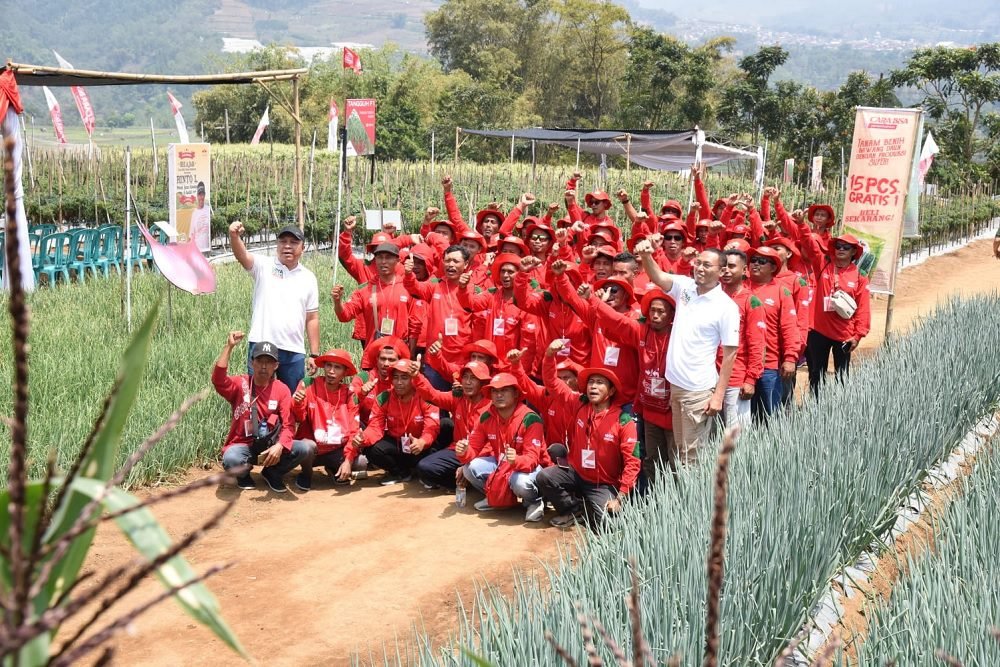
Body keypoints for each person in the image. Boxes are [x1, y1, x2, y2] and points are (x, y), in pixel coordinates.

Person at [635, 241, 740, 465]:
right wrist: (646, 255)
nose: (700, 268)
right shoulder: (686, 288)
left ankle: (692, 497)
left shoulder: (726, 307)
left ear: (721, 271)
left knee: (691, 456)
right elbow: (659, 277)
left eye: (707, 265)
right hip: (676, 385)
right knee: (680, 449)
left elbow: (730, 354)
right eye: (698, 263)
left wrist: (718, 396)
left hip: (698, 390)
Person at [535, 340, 640, 530]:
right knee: (545, 477)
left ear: (611, 391)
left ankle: (592, 507)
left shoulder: (623, 421)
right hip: (576, 474)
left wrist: (620, 497)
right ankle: (574, 510)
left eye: (600, 383)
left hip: (603, 484)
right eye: (591, 382)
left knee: (608, 526)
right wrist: (549, 355)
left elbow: (633, 461)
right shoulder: (579, 403)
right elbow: (552, 383)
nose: (593, 386)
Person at [212, 333, 311, 493]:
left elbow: (289, 425)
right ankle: (243, 475)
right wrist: (229, 347)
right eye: (260, 361)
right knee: (231, 459)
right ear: (252, 363)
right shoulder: (241, 383)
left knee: (302, 449)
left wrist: (279, 445)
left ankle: (272, 473)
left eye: (269, 362)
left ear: (276, 366)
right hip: (244, 444)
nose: (264, 366)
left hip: (271, 444)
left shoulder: (282, 389)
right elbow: (218, 380)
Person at [229, 220, 320, 393]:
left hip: (293, 350)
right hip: (261, 344)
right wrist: (234, 237)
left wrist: (314, 354)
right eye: (283, 242)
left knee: (293, 401)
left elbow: (312, 318)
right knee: (257, 399)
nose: (287, 246)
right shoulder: (264, 266)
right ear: (277, 244)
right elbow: (242, 256)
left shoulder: (309, 278)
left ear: (303, 247)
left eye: (294, 242)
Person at [455, 373, 547, 521]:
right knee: (469, 468)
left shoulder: (531, 419)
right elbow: (473, 449)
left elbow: (532, 459)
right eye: (495, 391)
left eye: (504, 390)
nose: (499, 395)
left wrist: (516, 460)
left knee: (519, 481)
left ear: (516, 393)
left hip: (531, 468)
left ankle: (534, 502)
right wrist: (464, 452)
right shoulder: (487, 416)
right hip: (502, 464)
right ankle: (494, 497)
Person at [798, 233, 872, 396]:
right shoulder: (823, 265)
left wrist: (858, 335)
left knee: (842, 375)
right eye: (838, 246)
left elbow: (863, 308)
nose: (841, 249)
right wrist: (801, 223)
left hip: (844, 334)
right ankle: (816, 408)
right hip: (818, 330)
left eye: (846, 247)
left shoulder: (860, 276)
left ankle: (839, 408)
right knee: (816, 373)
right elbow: (809, 244)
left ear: (854, 251)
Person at [352, 359, 441, 485]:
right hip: (398, 445)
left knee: (442, 433)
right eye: (395, 377)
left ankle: (426, 472)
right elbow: (375, 427)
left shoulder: (424, 396)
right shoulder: (384, 397)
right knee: (371, 449)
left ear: (413, 379)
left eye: (404, 378)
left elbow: (432, 427)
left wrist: (422, 441)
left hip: (420, 446)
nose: (399, 383)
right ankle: (400, 473)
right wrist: (363, 439)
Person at [412, 359, 492, 490]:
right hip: (458, 451)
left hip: (483, 456)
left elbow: (493, 444)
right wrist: (417, 376)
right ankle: (464, 483)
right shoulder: (458, 398)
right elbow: (433, 396)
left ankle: (471, 477)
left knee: (480, 468)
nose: (467, 382)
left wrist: (468, 465)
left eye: (473, 378)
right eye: (465, 377)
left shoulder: (492, 406)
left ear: (483, 383)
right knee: (425, 467)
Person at [403, 245, 474, 391]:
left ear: (466, 264)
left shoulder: (474, 289)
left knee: (460, 406)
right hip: (435, 359)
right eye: (447, 261)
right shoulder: (435, 285)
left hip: (462, 361)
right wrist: (409, 273)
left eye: (455, 261)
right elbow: (415, 287)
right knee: (435, 406)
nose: (450, 265)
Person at [290, 349, 362, 489]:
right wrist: (297, 403)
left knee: (361, 462)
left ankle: (333, 467)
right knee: (307, 447)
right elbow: (299, 418)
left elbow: (354, 430)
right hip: (313, 450)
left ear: (345, 372)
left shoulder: (349, 394)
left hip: (336, 449)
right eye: (328, 365)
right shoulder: (309, 384)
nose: (331, 371)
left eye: (337, 367)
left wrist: (347, 460)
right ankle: (306, 473)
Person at [746, 246, 800, 419]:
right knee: (744, 418)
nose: (755, 264)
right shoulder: (740, 286)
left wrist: (790, 358)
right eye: (753, 260)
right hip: (741, 365)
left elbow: (789, 327)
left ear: (773, 267)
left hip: (769, 366)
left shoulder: (781, 291)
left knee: (770, 415)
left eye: (762, 261)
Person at [332, 242, 414, 347]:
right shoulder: (366, 290)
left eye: (388, 258)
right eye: (379, 257)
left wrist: (411, 353)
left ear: (397, 261)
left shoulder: (408, 288)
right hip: (373, 352)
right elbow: (344, 316)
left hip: (400, 353)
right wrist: (337, 301)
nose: (383, 262)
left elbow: (415, 325)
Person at [719, 249, 766, 429]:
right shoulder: (712, 297)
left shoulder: (751, 301)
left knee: (734, 434)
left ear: (745, 270)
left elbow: (757, 344)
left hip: (736, 378)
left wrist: (750, 379)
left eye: (731, 266)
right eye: (723, 266)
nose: (727, 271)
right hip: (711, 376)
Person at [189, 181, 212, 252]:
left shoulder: (208, 209)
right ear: (197, 196)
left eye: (203, 195)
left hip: (207, 248)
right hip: (197, 249)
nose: (201, 197)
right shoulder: (194, 213)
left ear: (204, 195)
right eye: (199, 195)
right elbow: (191, 235)